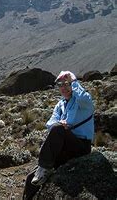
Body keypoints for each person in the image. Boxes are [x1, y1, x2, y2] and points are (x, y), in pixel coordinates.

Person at [23, 71, 94, 200]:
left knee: (58, 130)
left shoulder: (84, 101)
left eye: (67, 84)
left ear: (72, 84)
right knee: (29, 179)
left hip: (80, 147)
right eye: (60, 84)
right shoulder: (60, 104)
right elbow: (50, 123)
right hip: (64, 148)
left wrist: (74, 80)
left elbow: (82, 97)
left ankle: (44, 168)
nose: (64, 88)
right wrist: (60, 124)